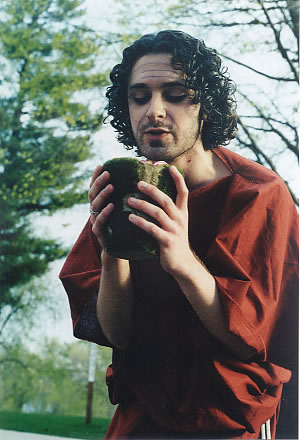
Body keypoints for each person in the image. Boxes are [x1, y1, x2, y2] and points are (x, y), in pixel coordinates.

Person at [59, 30, 299, 439]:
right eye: (139, 97)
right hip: (141, 417)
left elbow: (248, 340)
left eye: (175, 94)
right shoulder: (127, 184)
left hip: (226, 421)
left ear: (206, 105)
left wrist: (182, 260)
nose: (154, 111)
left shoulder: (257, 195)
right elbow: (117, 333)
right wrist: (113, 251)